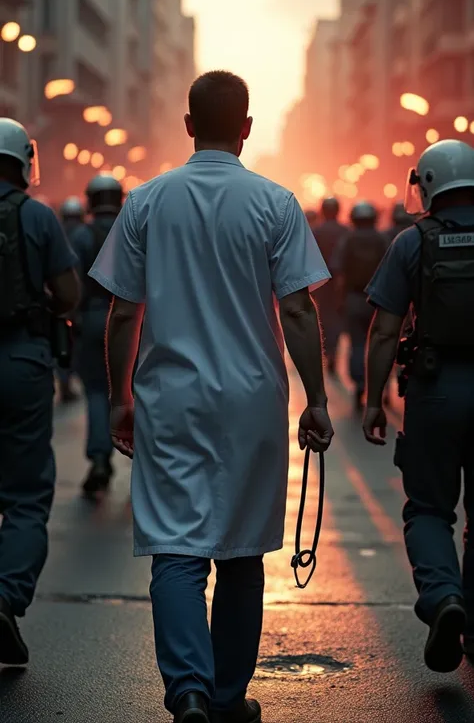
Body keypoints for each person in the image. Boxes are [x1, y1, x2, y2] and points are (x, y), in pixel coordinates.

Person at [89, 70, 334, 723]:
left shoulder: (146, 202)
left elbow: (121, 313)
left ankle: (189, 690)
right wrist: (317, 397)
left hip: (170, 400)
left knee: (176, 547)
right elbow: (301, 313)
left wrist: (120, 398)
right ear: (247, 127)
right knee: (242, 549)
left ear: (188, 124)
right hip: (252, 404)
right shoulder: (276, 203)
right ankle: (227, 697)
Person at [363, 139, 474, 674]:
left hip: (433, 391)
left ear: (427, 183)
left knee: (430, 508)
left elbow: (384, 331)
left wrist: (373, 402)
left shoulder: (414, 242)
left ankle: (445, 598)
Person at [0, 118, 80, 665]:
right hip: (21, 363)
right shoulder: (37, 217)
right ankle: (4, 599)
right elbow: (69, 294)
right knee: (26, 495)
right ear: (24, 160)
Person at [70, 174, 124, 496]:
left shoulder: (81, 235)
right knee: (138, 392)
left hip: (91, 318)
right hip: (133, 319)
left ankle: (101, 458)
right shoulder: (134, 229)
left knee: (94, 391)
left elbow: (72, 282)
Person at [332, 201, 387, 410]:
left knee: (356, 344)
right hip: (379, 299)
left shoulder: (348, 240)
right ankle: (383, 387)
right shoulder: (382, 240)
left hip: (354, 299)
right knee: (381, 344)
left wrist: (340, 299)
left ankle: (359, 385)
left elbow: (338, 272)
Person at [313, 197, 347, 374]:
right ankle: (333, 352)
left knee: (323, 318)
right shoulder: (346, 231)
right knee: (338, 319)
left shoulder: (316, 231)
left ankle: (328, 352)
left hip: (320, 283)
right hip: (342, 284)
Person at [56, 196, 85, 403]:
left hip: (62, 304)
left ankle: (65, 385)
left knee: (63, 348)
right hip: (80, 304)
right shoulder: (85, 234)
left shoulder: (58, 233)